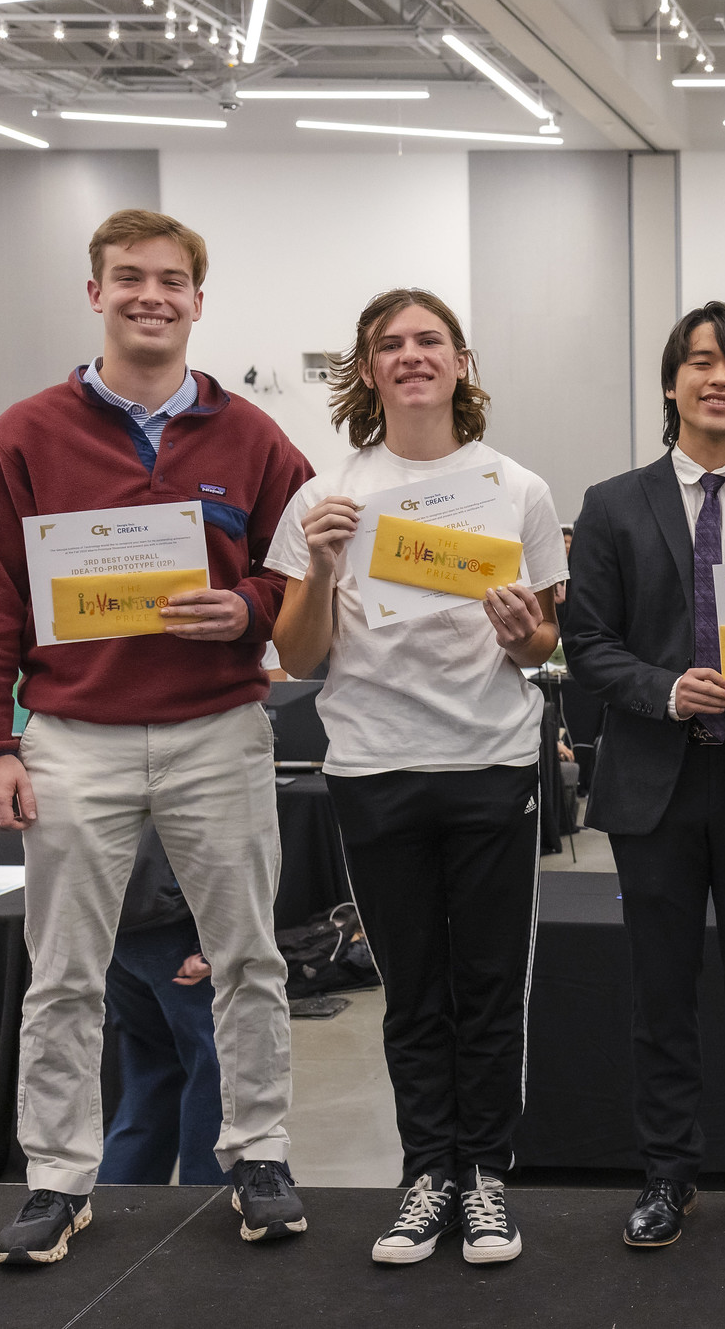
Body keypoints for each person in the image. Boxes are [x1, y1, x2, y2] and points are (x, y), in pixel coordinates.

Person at [0, 209, 312, 1264]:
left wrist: (248, 608)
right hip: (73, 734)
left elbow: (298, 570)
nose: (150, 296)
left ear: (199, 302)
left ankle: (258, 1154)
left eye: (171, 281)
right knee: (63, 972)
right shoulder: (23, 436)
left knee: (249, 956)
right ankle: (59, 1180)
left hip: (218, 729)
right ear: (95, 293)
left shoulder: (253, 437)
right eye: (129, 279)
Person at [267, 288, 565, 1266]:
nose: (409, 355)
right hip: (373, 767)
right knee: (412, 991)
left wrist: (530, 638)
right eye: (388, 344)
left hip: (490, 764)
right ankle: (424, 1174)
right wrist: (315, 567)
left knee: (486, 986)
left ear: (461, 361)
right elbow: (299, 658)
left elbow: (546, 641)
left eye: (426, 339)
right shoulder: (324, 499)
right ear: (366, 368)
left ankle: (484, 1177)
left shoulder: (515, 488)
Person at [563, 302, 725, 1248]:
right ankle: (667, 1173)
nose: (720, 378)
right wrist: (667, 689)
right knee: (660, 992)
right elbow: (585, 644)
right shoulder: (610, 504)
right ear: (672, 382)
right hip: (654, 783)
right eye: (701, 362)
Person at [100, 828, 224, 1188]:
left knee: (153, 1071)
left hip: (115, 914)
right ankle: (208, 1201)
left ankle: (119, 1202)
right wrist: (217, 941)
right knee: (216, 1068)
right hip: (173, 917)